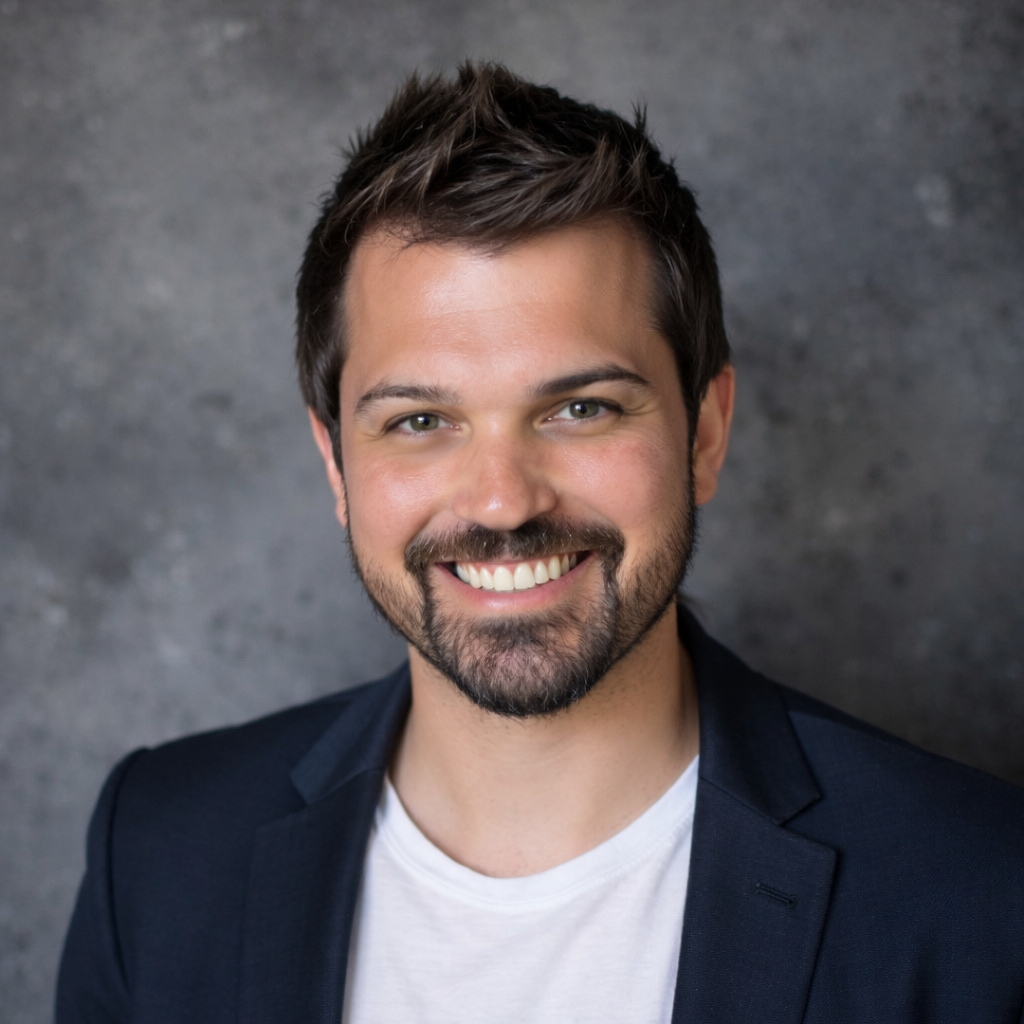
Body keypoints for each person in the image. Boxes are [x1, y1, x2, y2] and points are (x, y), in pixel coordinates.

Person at [57, 62, 1024, 1024]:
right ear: (336, 465)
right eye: (420, 421)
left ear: (704, 432)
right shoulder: (158, 853)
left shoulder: (979, 893)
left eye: (580, 408)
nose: (503, 501)